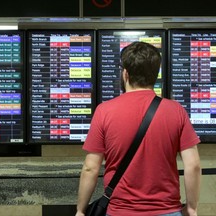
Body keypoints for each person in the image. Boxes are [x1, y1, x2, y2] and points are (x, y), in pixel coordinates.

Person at [75, 41, 201, 216]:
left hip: (120, 211)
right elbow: (193, 165)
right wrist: (192, 208)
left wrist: (81, 210)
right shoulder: (176, 110)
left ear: (125, 74)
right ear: (155, 75)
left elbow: (91, 167)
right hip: (167, 210)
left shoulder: (104, 111)